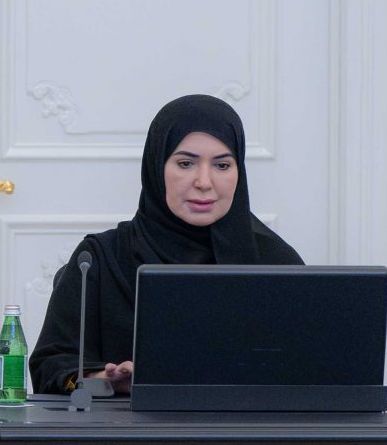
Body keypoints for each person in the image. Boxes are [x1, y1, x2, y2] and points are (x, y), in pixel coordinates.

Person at [30, 93, 303, 396]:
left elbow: (311, 371)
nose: (204, 182)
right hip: (125, 424)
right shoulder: (99, 259)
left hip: (246, 424)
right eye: (186, 163)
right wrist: (104, 380)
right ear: (156, 166)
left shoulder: (276, 262)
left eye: (222, 165)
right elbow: (50, 367)